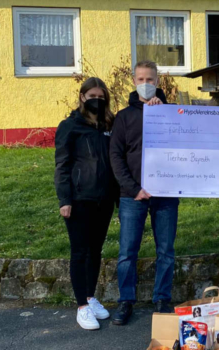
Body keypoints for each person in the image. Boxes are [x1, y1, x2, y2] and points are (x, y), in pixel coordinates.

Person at [109, 60, 179, 325]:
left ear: (158, 82)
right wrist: (132, 189)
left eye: (150, 80)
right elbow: (116, 156)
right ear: (134, 81)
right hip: (132, 196)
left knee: (166, 250)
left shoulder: (172, 112)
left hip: (166, 195)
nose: (146, 84)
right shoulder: (124, 117)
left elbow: (185, 147)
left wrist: (164, 115)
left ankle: (162, 298)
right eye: (141, 79)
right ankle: (126, 301)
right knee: (127, 251)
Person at [54, 77, 119, 330]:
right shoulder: (70, 126)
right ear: (82, 97)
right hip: (79, 200)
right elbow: (62, 166)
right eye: (92, 96)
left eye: (101, 97)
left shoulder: (109, 125)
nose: (97, 100)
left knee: (95, 251)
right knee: (80, 252)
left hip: (104, 200)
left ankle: (91, 297)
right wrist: (64, 199)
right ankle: (81, 306)